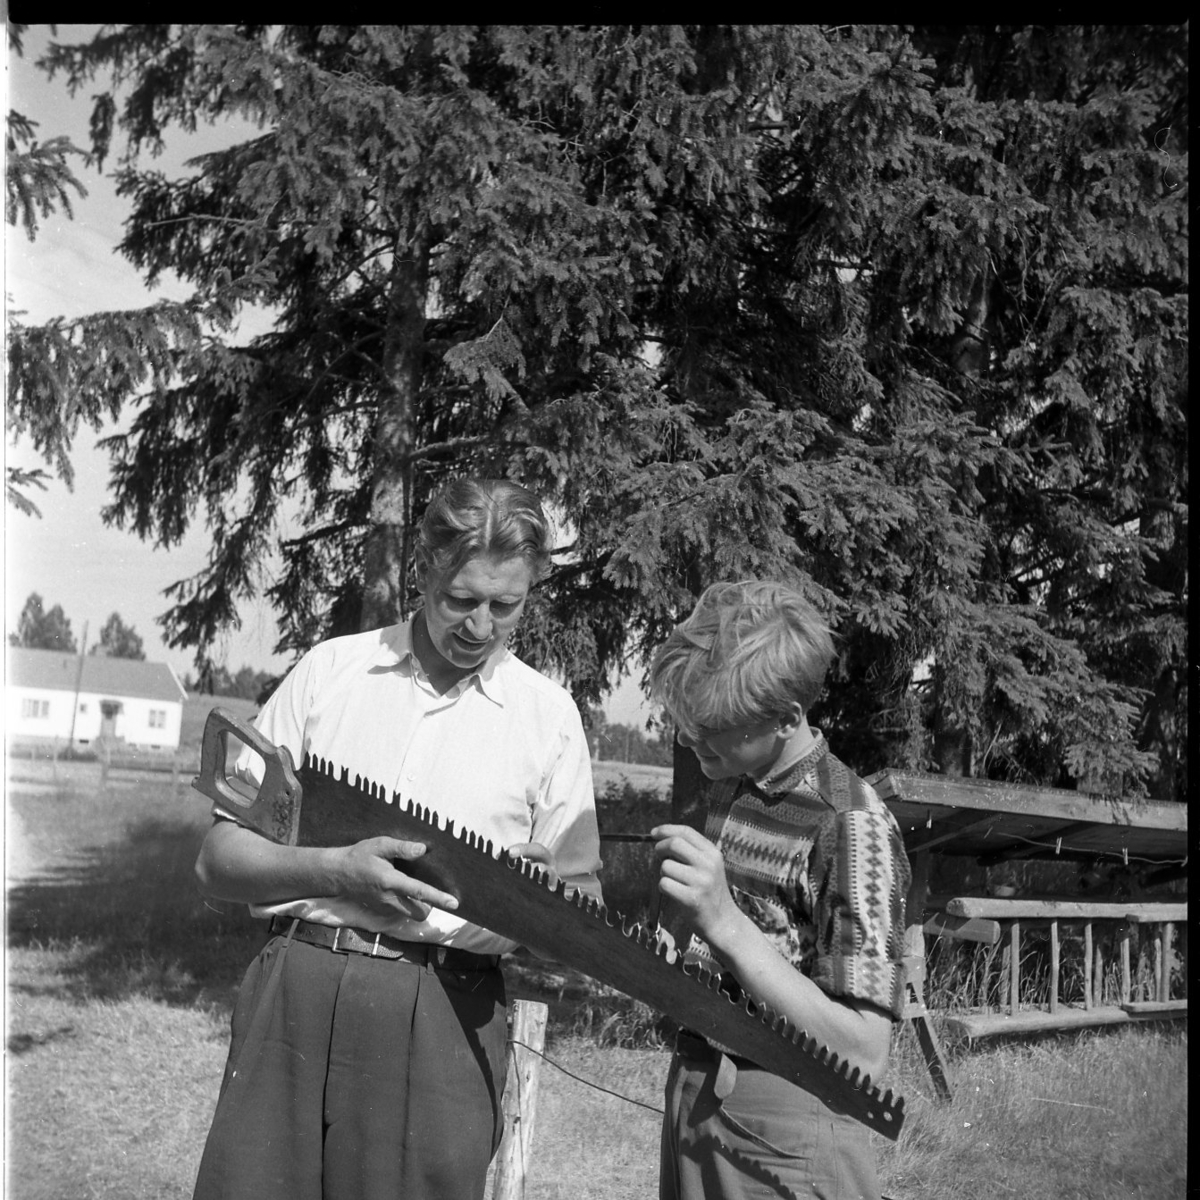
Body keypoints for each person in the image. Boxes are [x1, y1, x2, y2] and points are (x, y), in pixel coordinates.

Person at [191, 477, 603, 1200]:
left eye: (506, 606)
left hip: (446, 1011)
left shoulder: (549, 718)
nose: (481, 626)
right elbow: (218, 862)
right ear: (422, 572)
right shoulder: (330, 672)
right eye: (460, 600)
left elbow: (585, 911)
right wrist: (334, 872)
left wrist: (545, 902)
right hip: (295, 989)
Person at [648, 580, 911, 1200]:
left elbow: (864, 1051)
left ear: (788, 717)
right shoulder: (734, 783)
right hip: (698, 1093)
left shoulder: (852, 825)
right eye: (687, 722)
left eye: (712, 726)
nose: (689, 740)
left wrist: (725, 924)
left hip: (787, 1126)